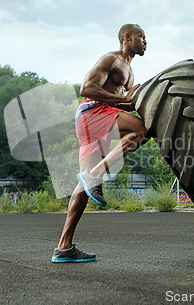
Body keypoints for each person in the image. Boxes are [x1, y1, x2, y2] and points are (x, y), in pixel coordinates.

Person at [51, 24, 148, 263]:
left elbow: (124, 103)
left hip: (97, 118)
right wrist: (122, 99)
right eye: (142, 37)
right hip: (92, 112)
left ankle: (64, 247)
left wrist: (133, 99)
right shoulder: (112, 60)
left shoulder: (130, 72)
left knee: (83, 185)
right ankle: (96, 173)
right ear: (127, 37)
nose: (146, 42)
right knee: (141, 130)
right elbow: (87, 88)